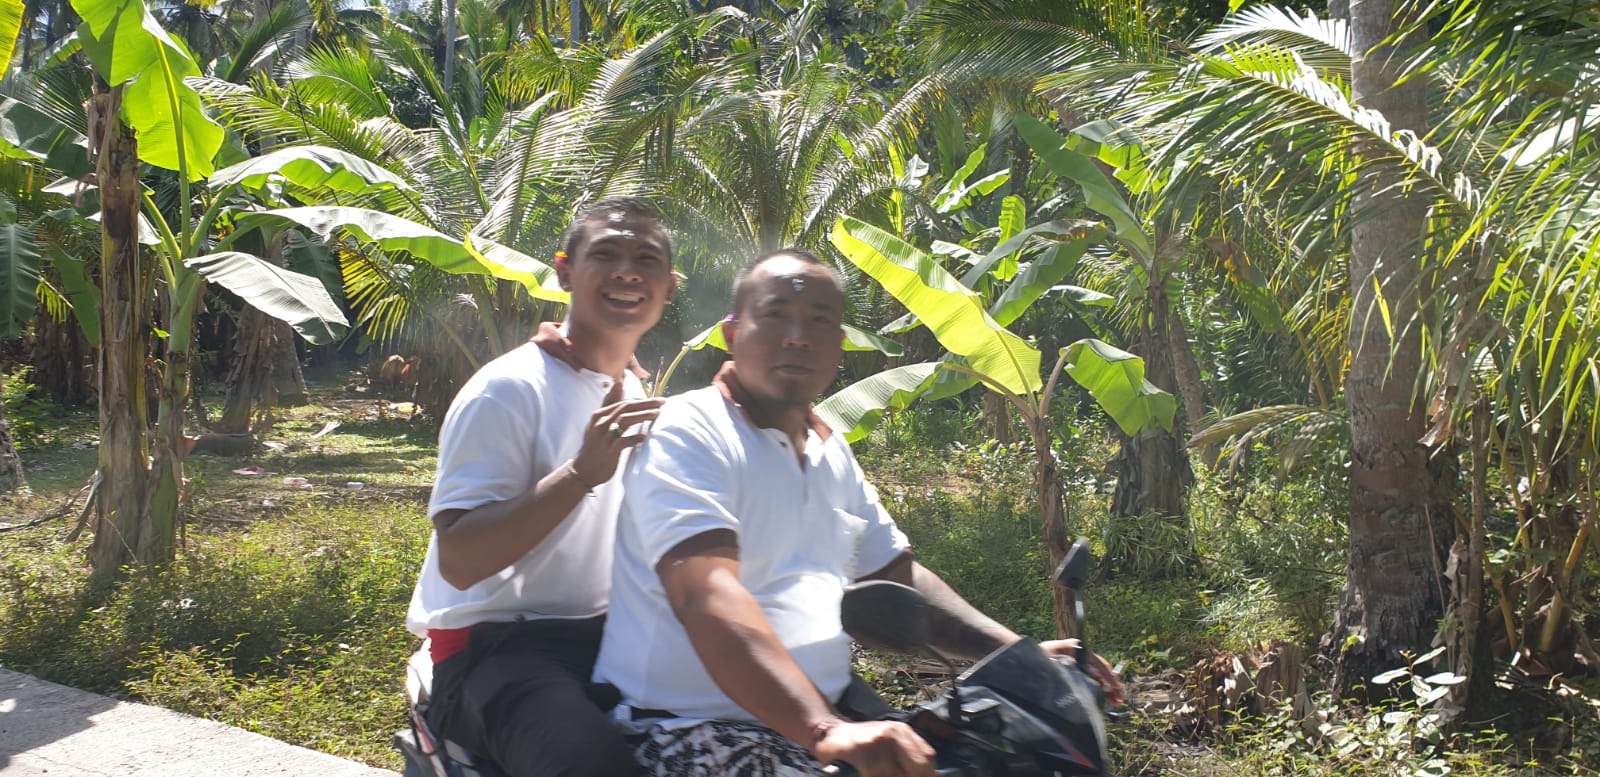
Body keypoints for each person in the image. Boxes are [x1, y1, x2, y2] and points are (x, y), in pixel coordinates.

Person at [594, 248, 1124, 777]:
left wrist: (1019, 653)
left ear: (839, 343)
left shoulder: (828, 449)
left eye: (819, 320)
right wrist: (826, 729)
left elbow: (895, 574)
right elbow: (705, 594)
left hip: (816, 725)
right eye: (775, 315)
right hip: (688, 730)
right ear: (733, 334)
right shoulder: (692, 431)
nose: (797, 335)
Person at [405, 197, 676, 777]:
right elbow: (458, 561)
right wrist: (580, 474)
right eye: (606, 254)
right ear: (564, 271)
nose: (629, 270)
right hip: (494, 647)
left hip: (613, 636)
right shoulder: (508, 389)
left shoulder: (638, 395)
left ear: (668, 285)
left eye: (646, 259)